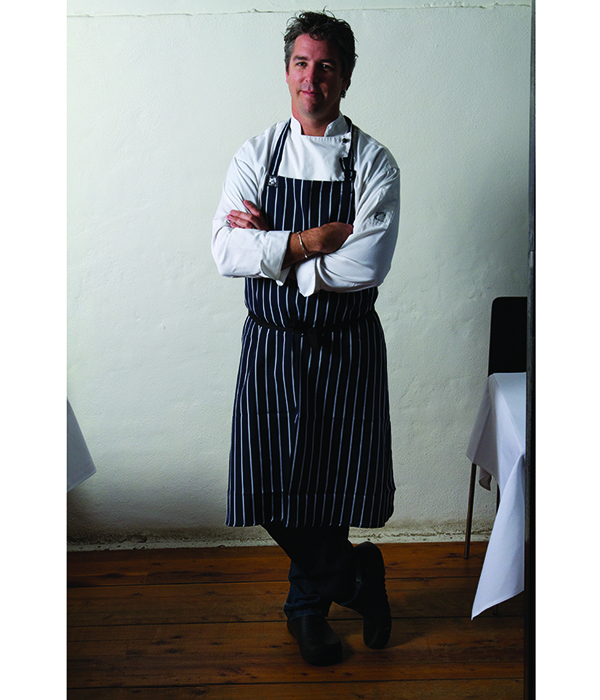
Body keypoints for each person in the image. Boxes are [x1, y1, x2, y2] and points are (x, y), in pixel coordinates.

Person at [212, 10, 400, 666]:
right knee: (269, 484)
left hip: (344, 346)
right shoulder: (255, 154)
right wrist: (307, 241)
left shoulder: (374, 162)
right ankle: (355, 578)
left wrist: (274, 253)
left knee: (327, 483)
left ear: (345, 78)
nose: (310, 77)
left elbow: (367, 264)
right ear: (286, 70)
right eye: (300, 62)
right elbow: (223, 250)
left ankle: (307, 612)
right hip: (270, 345)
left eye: (324, 66)